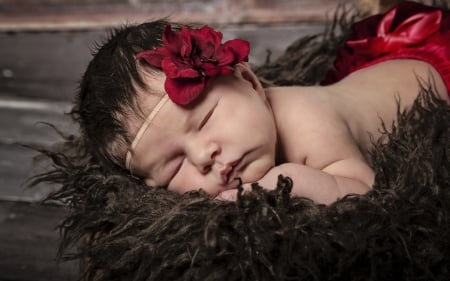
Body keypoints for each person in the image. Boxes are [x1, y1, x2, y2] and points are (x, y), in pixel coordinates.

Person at [76, 1, 450, 205]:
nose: (204, 155)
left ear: (250, 81)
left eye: (205, 120)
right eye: (174, 168)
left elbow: (365, 193)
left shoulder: (307, 121)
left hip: (434, 68)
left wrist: (285, 182)